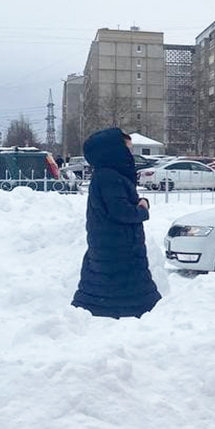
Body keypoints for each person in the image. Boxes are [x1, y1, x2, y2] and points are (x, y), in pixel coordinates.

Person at [72, 128, 161, 319]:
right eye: (126, 148)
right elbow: (121, 211)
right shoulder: (109, 177)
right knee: (126, 293)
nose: (130, 154)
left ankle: (100, 312)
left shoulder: (107, 175)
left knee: (105, 289)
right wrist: (143, 209)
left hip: (114, 245)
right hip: (118, 247)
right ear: (114, 152)